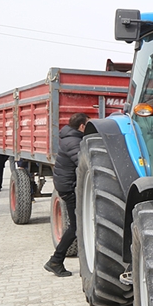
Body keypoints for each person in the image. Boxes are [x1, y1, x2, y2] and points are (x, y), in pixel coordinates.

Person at [43, 113, 89, 277]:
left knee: (76, 225)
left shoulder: (70, 138)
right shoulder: (73, 142)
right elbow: (82, 162)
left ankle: (56, 260)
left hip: (67, 185)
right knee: (75, 227)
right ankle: (55, 261)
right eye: (88, 125)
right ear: (82, 126)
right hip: (69, 188)